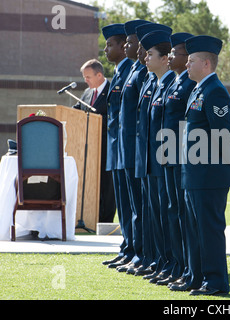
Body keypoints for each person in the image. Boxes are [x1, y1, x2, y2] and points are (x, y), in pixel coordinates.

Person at [174, 35, 230, 296]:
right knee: (193, 230)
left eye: (191, 61)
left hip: (208, 176)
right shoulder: (200, 89)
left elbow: (223, 135)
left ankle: (215, 282)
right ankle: (195, 275)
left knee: (209, 231)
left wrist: (212, 170)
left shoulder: (215, 91)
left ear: (206, 64)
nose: (186, 65)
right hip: (194, 173)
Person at [132, 23, 173, 277]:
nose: (145, 57)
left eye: (150, 54)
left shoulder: (170, 84)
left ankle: (169, 263)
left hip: (163, 162)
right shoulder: (155, 82)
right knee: (153, 216)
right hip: (149, 160)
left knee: (165, 217)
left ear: (165, 59)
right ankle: (158, 260)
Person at [159, 32, 196, 287]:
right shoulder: (175, 81)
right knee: (172, 212)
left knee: (181, 214)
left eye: (176, 52)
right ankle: (176, 264)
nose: (170, 56)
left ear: (188, 58)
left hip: (180, 157)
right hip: (168, 155)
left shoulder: (190, 84)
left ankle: (184, 266)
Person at [114, 19, 150, 274]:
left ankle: (142, 253)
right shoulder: (132, 71)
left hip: (137, 150)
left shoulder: (142, 72)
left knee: (141, 207)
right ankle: (131, 249)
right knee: (128, 206)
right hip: (124, 147)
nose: (129, 46)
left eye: (132, 41)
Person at [100, 23, 134, 268]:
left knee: (132, 205)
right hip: (117, 148)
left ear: (124, 47)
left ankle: (136, 251)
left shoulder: (132, 71)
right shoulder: (120, 74)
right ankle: (128, 248)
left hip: (128, 149)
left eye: (110, 45)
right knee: (123, 205)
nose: (105, 50)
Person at [72, 59, 116, 224]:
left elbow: (115, 117)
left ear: (99, 75)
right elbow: (77, 110)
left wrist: (96, 120)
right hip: (88, 147)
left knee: (106, 185)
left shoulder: (113, 90)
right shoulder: (87, 93)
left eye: (88, 77)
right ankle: (91, 218)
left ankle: (106, 221)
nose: (86, 81)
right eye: (84, 77)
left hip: (106, 147)